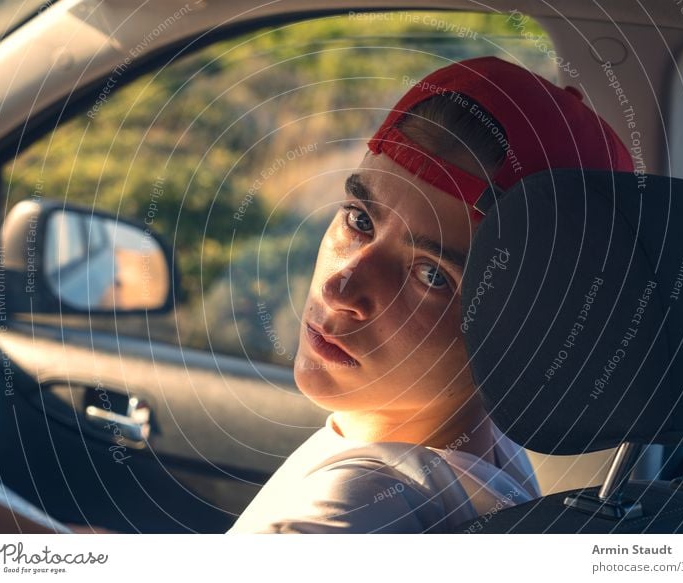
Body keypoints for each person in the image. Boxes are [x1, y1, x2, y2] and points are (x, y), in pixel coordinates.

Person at [228, 56, 634, 533]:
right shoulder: (491, 457)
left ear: (526, 337)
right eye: (360, 220)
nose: (342, 288)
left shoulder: (338, 517)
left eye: (432, 275)